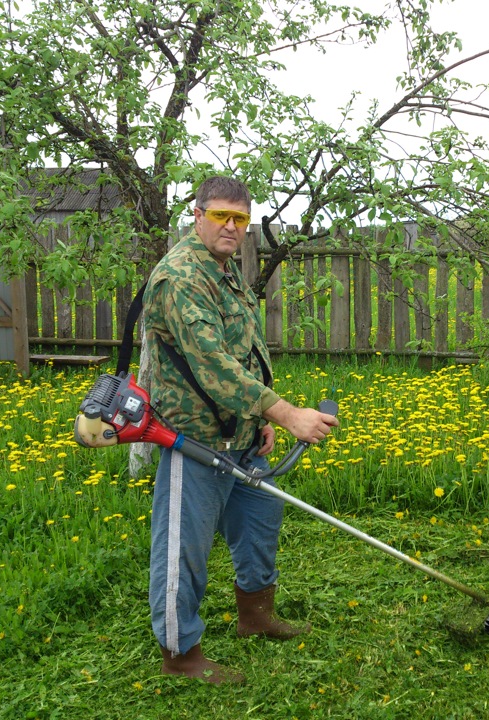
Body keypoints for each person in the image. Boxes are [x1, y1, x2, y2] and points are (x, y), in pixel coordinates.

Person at [143, 175, 339, 685]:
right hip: (195, 442)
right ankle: (181, 653)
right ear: (197, 213)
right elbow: (211, 365)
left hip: (243, 437)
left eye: (240, 219)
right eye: (220, 216)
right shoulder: (182, 277)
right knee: (182, 550)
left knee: (260, 523)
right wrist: (286, 413)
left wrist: (260, 420)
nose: (230, 226)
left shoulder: (226, 271)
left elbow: (248, 352)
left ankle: (256, 616)